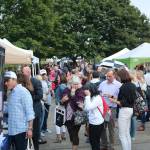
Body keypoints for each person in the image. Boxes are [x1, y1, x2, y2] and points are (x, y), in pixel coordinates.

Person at [4, 71, 35, 150]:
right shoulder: (11, 93)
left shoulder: (23, 92)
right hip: (11, 130)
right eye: (5, 81)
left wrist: (30, 129)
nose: (6, 83)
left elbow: (30, 112)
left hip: (21, 131)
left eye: (8, 81)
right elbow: (9, 109)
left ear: (14, 80)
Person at [110, 69, 137, 150]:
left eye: (118, 76)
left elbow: (123, 102)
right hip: (130, 110)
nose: (117, 77)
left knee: (122, 135)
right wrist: (114, 97)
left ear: (121, 76)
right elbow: (129, 99)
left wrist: (113, 100)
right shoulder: (132, 85)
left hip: (124, 110)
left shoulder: (123, 87)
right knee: (126, 133)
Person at [98, 70, 122, 150]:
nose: (107, 78)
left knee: (111, 128)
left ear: (114, 76)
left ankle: (112, 146)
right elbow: (99, 93)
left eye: (109, 76)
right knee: (102, 127)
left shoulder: (118, 85)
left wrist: (111, 96)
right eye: (106, 76)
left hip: (112, 109)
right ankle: (104, 144)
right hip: (102, 108)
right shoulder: (102, 83)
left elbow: (121, 99)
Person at [22, 66, 43, 150]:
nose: (23, 74)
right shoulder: (21, 81)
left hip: (34, 111)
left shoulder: (36, 81)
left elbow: (40, 95)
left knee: (35, 134)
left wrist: (28, 99)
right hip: (24, 113)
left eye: (23, 72)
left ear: (28, 72)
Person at [61, 75, 85, 150]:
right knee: (71, 134)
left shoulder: (81, 91)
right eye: (74, 84)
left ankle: (74, 147)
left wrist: (73, 95)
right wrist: (62, 100)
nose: (75, 85)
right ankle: (74, 145)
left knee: (74, 134)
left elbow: (79, 104)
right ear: (70, 84)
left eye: (77, 83)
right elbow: (61, 101)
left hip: (77, 116)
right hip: (67, 115)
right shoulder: (66, 90)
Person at [83, 83, 104, 150]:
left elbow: (88, 108)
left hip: (97, 123)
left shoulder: (97, 98)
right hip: (93, 122)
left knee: (94, 142)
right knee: (93, 141)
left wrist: (88, 96)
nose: (85, 91)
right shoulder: (92, 97)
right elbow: (86, 108)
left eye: (86, 90)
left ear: (91, 90)